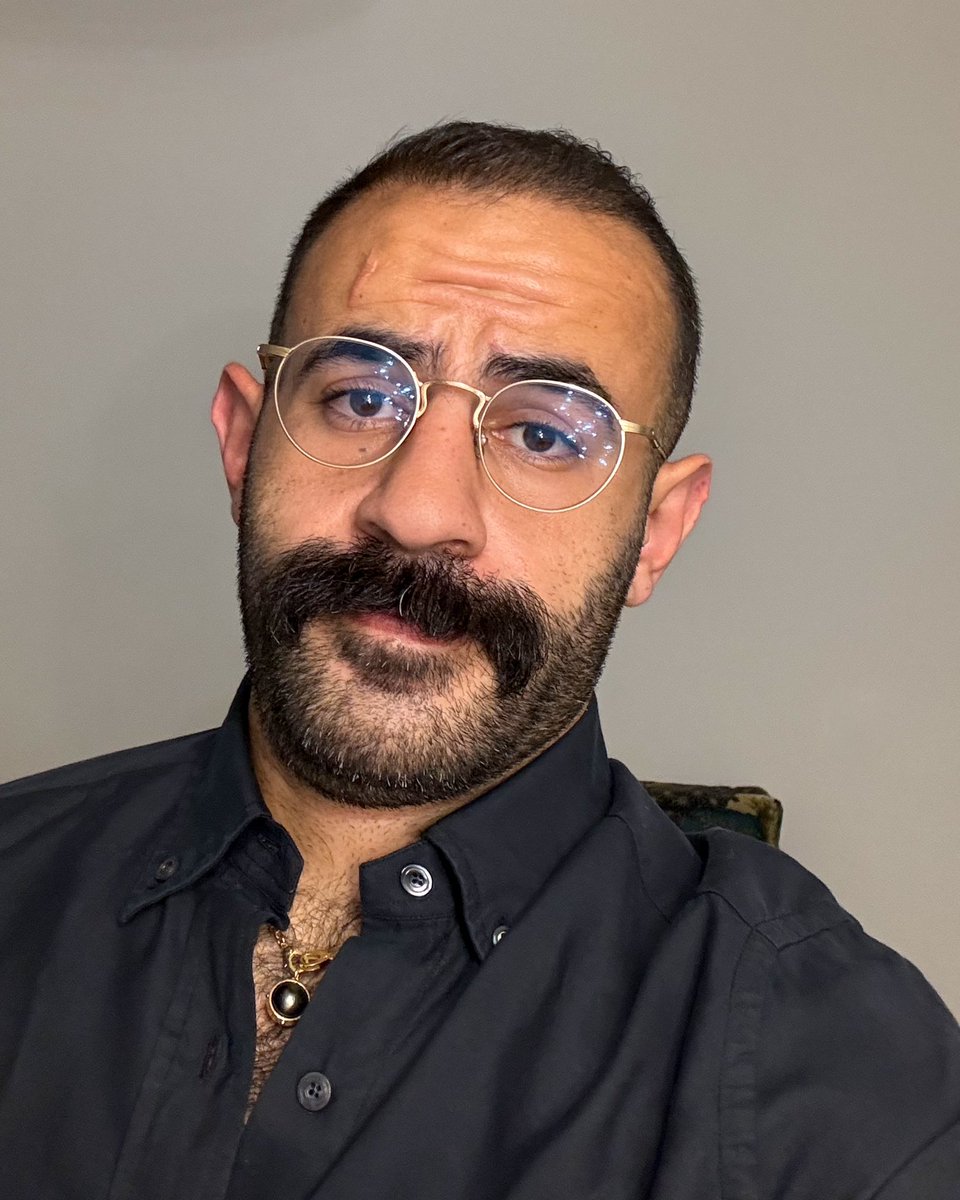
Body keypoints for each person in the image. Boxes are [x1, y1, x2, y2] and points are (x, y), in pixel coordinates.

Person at [1, 122, 957, 1200]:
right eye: (362, 397)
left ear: (655, 532)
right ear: (241, 443)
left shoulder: (847, 1091)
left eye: (545, 434)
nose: (420, 511)